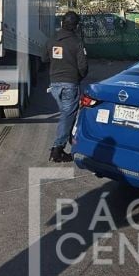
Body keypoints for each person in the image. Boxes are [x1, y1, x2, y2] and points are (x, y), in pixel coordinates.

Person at [47, 11, 87, 163]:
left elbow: (44, 58)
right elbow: (83, 67)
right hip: (70, 84)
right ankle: (57, 149)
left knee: (66, 114)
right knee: (67, 116)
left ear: (62, 23)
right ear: (76, 26)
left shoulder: (51, 40)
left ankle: (70, 142)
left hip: (54, 85)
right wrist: (77, 78)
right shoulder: (77, 42)